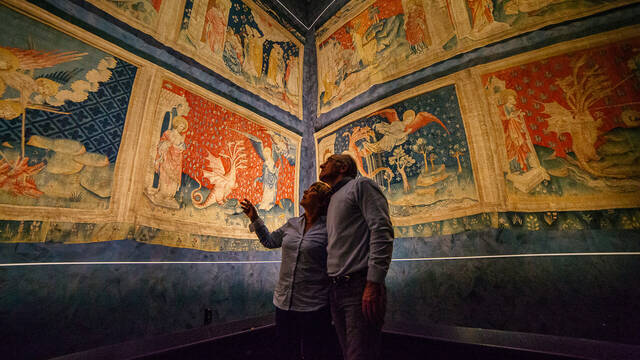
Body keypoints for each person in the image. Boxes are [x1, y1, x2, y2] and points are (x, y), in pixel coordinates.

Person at [240, 182, 334, 360]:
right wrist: (254, 218)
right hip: (284, 303)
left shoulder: (329, 229)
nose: (306, 191)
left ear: (322, 202)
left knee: (314, 352)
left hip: (314, 305)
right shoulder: (292, 224)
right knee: (286, 352)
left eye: (312, 191)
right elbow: (269, 241)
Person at [319, 154, 394, 360]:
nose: (322, 164)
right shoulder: (333, 198)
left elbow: (381, 230)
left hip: (358, 287)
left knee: (359, 355)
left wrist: (373, 283)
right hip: (335, 289)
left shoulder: (361, 185)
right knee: (348, 353)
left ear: (342, 167)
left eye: (329, 161)